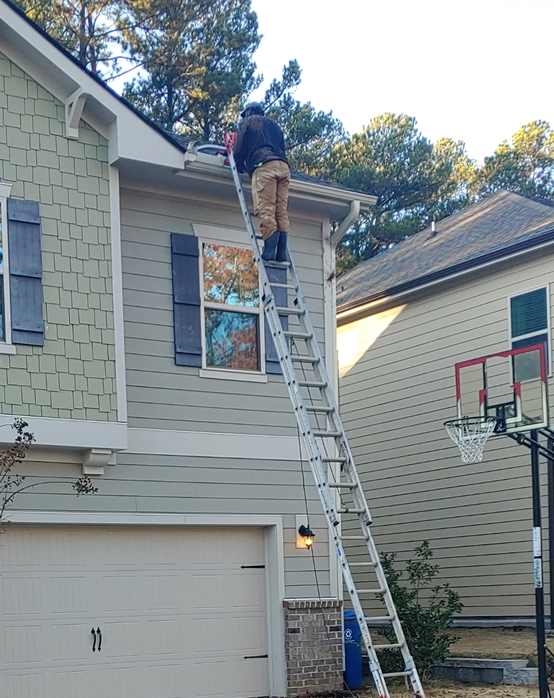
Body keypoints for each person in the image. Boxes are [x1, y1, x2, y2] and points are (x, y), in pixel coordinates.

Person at [233, 102, 291, 262]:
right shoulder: (275, 126)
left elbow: (239, 148)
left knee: (266, 208)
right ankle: (281, 253)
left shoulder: (249, 122)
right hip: (283, 167)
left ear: (250, 112)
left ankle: (269, 251)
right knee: (281, 210)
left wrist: (238, 164)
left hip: (264, 165)